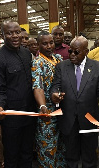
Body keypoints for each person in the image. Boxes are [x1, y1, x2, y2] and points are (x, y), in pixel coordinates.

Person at [51, 36, 99, 168]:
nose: (71, 55)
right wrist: (54, 95)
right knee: (71, 158)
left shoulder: (97, 67)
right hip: (68, 120)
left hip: (89, 119)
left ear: (86, 51)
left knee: (89, 158)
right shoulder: (61, 67)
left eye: (76, 52)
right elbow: (55, 86)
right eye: (70, 51)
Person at [0, 20, 36, 168]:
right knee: (12, 155)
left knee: (27, 152)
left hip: (30, 113)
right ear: (3, 35)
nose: (15, 36)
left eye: (17, 32)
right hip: (12, 118)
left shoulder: (26, 53)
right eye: (9, 33)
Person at [32, 31, 66, 167]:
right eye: (44, 43)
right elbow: (37, 87)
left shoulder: (58, 59)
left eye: (51, 42)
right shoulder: (37, 63)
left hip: (62, 111)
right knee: (47, 149)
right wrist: (42, 106)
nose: (49, 46)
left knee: (61, 148)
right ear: (38, 45)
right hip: (47, 114)